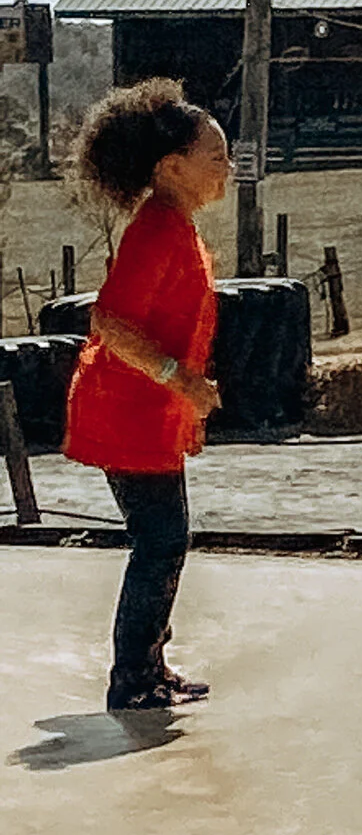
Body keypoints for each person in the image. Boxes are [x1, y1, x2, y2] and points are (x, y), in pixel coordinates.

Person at [62, 80, 226, 711]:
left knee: (162, 540)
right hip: (125, 413)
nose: (225, 169)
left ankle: (149, 665)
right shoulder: (158, 230)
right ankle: (133, 678)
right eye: (214, 158)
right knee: (160, 542)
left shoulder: (174, 225)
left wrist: (185, 399)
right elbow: (111, 322)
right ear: (171, 168)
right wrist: (179, 380)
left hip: (149, 413)